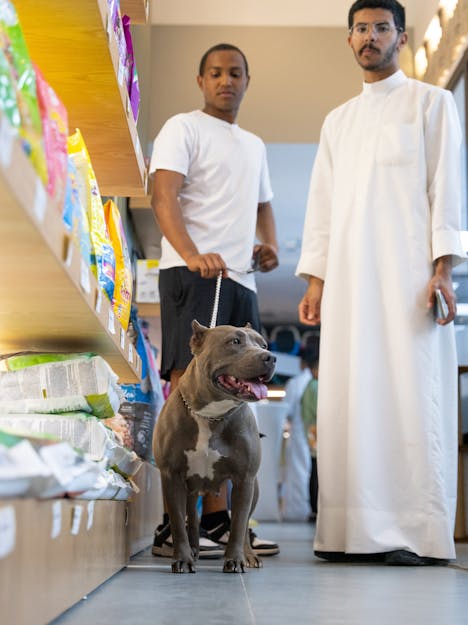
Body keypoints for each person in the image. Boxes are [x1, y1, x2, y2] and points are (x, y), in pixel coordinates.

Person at [296, 0, 466, 566]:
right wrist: (316, 282)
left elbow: (447, 190)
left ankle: (414, 532)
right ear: (349, 41)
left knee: (410, 394)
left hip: (410, 282)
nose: (370, 37)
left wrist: (443, 269)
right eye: (361, 29)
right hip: (348, 285)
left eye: (381, 28)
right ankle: (348, 533)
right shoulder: (337, 120)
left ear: (402, 36)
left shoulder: (432, 104)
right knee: (350, 396)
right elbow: (321, 209)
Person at [149, 43, 280, 559]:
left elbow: (264, 205)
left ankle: (220, 520)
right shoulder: (182, 128)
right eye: (216, 73)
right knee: (190, 380)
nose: (227, 81)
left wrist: (269, 245)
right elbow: (163, 195)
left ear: (248, 80)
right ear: (201, 79)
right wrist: (190, 252)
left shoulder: (254, 144)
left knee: (241, 391)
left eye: (236, 73)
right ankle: (173, 522)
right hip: (192, 271)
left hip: (242, 279)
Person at [281, 338, 318, 521]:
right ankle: (311, 509)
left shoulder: (295, 383)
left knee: (298, 474)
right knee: (312, 473)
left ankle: (297, 511)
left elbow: (285, 412)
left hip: (299, 434)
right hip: (313, 435)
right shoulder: (317, 383)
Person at [300, 344, 319, 521]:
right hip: (317, 432)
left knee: (314, 469)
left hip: (311, 432)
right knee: (317, 471)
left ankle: (314, 507)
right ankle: (315, 507)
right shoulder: (315, 386)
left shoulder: (308, 386)